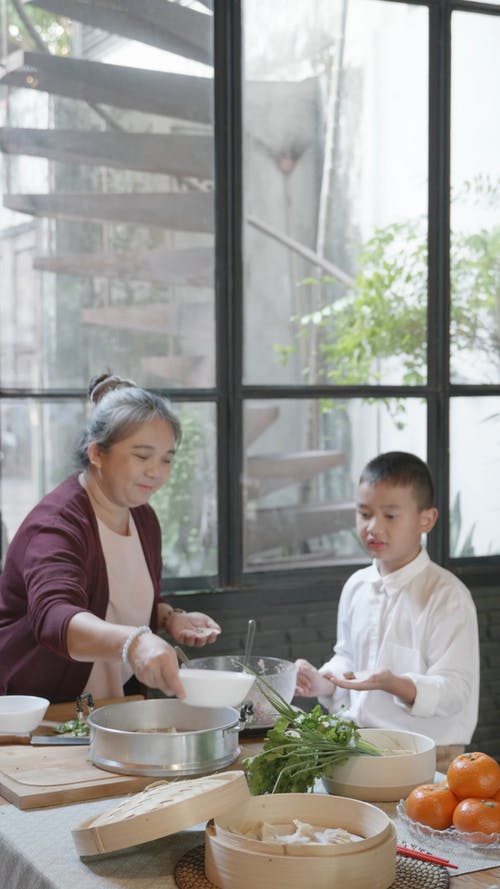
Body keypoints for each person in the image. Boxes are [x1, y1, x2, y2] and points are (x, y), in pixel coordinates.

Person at [0, 373, 221, 704]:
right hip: (40, 713)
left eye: (166, 459)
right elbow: (54, 617)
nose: (156, 471)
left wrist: (170, 618)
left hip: (110, 706)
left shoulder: (142, 517)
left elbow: (116, 599)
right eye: (142, 456)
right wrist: (135, 643)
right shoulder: (56, 526)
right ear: (97, 454)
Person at [295, 451, 480, 773]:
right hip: (358, 745)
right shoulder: (356, 585)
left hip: (430, 755)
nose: (373, 528)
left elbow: (455, 691)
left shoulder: (447, 596)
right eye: (364, 513)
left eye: (390, 516)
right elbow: (348, 658)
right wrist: (323, 682)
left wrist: (394, 683)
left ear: (427, 519)